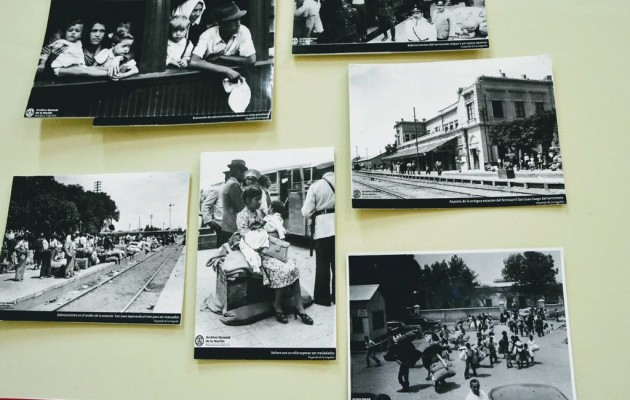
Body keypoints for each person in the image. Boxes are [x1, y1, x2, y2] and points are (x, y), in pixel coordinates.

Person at [236, 186, 313, 325]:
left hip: (271, 248)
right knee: (281, 269)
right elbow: (247, 238)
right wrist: (262, 231)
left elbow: (272, 222)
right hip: (260, 252)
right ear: (247, 200)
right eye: (256, 199)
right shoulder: (242, 216)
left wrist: (267, 227)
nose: (259, 202)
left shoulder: (261, 212)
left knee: (293, 267)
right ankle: (277, 306)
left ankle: (300, 308)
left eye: (260, 199)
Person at [190, 2, 256, 82]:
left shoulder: (243, 31)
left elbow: (251, 60)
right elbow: (193, 61)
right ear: (222, 24)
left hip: (231, 80)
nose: (239, 23)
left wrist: (221, 57)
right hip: (207, 79)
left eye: (239, 19)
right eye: (234, 20)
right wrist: (226, 70)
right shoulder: (207, 35)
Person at [301, 161, 335, 306]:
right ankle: (338, 296)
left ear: (321, 172)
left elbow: (306, 212)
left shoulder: (316, 186)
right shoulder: (345, 181)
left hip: (322, 229)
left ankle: (323, 298)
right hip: (341, 228)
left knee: (322, 265)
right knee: (338, 264)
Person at [220, 159, 248, 245]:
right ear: (239, 171)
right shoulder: (234, 185)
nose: (244, 176)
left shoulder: (229, 183)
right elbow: (241, 207)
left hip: (227, 226)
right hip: (233, 227)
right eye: (244, 173)